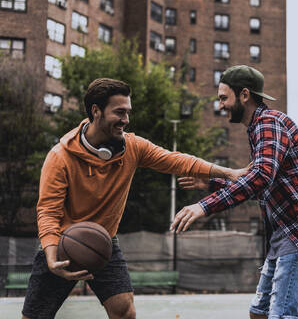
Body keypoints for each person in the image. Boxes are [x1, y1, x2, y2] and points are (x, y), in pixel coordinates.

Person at [22, 78, 247, 319]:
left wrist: (228, 173)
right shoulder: (60, 157)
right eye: (119, 112)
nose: (126, 120)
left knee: (124, 312)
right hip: (63, 244)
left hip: (103, 241)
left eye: (128, 112)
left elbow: (177, 160)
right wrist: (51, 255)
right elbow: (48, 211)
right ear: (96, 111)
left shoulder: (132, 147)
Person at [171, 65, 298, 319]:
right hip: (283, 235)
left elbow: (260, 177)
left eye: (224, 98)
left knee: (283, 315)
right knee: (258, 313)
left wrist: (204, 205)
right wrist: (212, 184)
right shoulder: (259, 128)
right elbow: (262, 185)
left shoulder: (269, 123)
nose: (221, 106)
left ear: (245, 95)